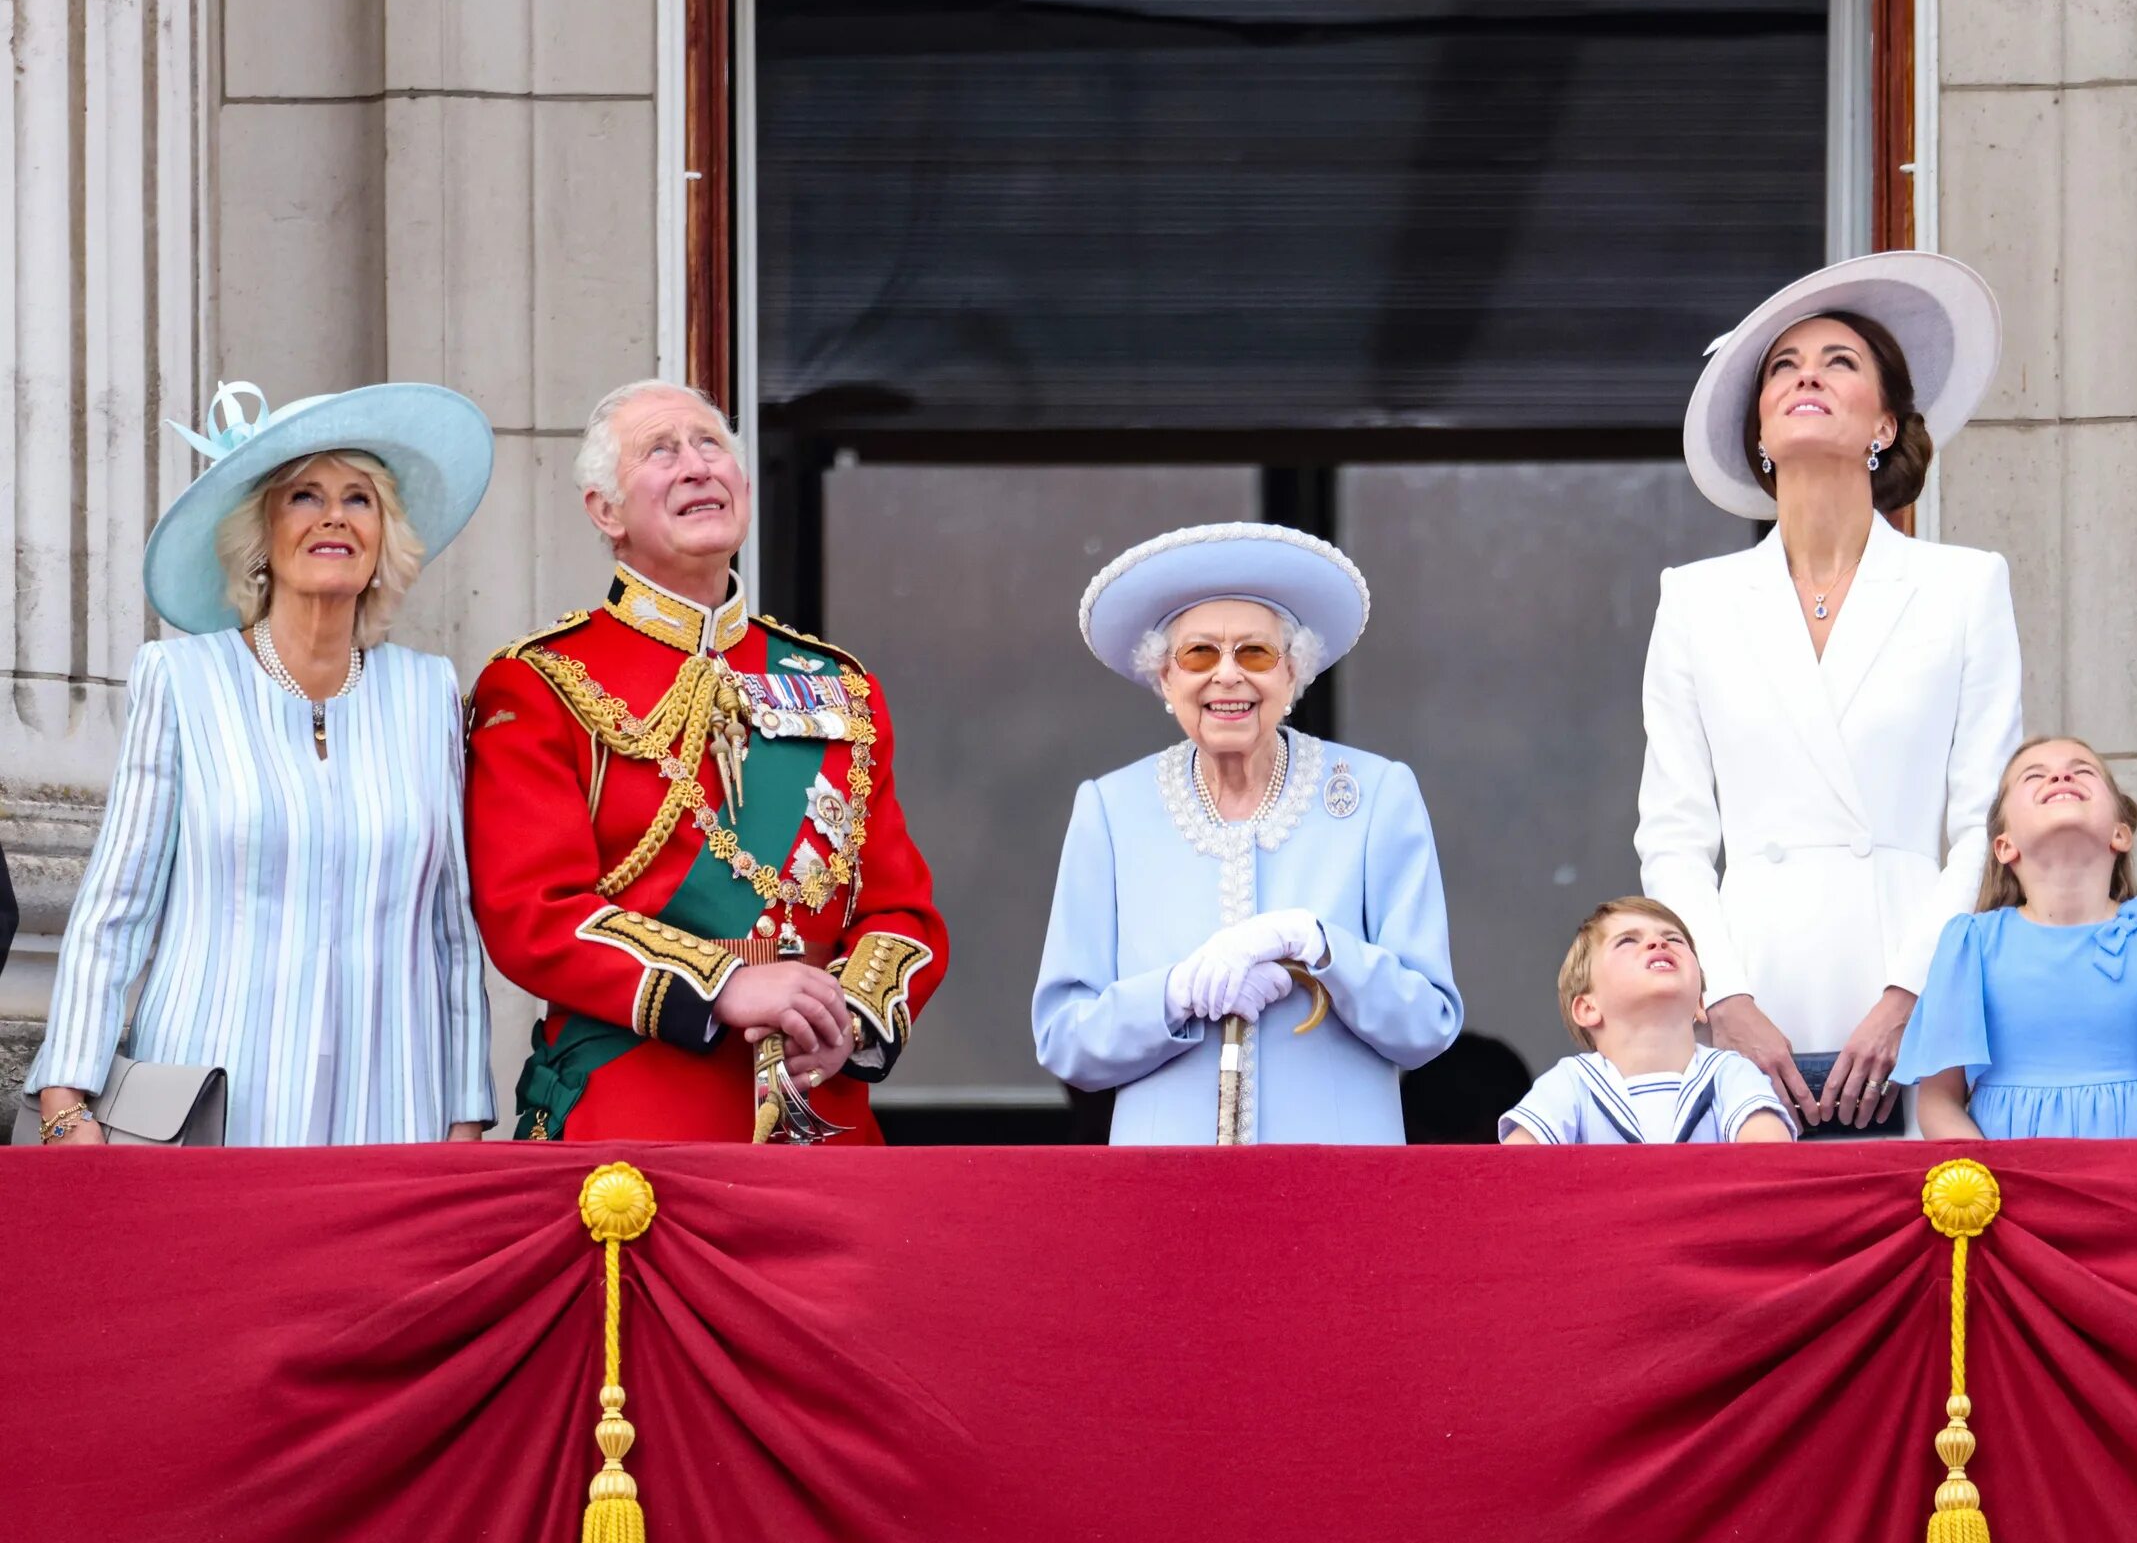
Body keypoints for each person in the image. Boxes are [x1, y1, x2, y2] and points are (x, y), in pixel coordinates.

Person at [467, 381, 948, 1143]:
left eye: (711, 445)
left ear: (744, 485)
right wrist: (725, 984)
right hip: (635, 1109)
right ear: (605, 510)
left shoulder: (837, 684)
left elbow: (903, 913)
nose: (696, 466)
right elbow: (533, 912)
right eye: (660, 451)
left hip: (821, 1112)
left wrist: (847, 1019)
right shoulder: (541, 681)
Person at [26, 380, 496, 1146]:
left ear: (384, 539)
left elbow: (449, 930)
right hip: (208, 1104)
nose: (335, 515)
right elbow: (117, 909)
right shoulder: (182, 680)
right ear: (261, 536)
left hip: (391, 1110)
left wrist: (464, 1115)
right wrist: (66, 1100)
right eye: (305, 495)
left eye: (360, 498)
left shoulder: (427, 692)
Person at [1639, 252, 2023, 1134]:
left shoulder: (1965, 586)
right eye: (1783, 366)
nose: (1807, 373)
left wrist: (1909, 995)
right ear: (1760, 435)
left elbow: (1983, 824)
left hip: (1914, 1000)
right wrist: (1724, 997)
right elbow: (1674, 832)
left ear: (1885, 422)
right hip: (1747, 1001)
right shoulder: (1693, 599)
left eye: (1839, 361)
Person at [1034, 523, 1463, 1144]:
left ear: (1293, 674)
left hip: (1339, 1181)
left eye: (1256, 654)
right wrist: (1176, 993)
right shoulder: (1110, 809)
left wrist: (1319, 946)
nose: (1227, 676)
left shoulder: (1377, 795)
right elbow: (1065, 1040)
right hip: (1166, 1184)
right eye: (1199, 654)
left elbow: (1427, 1024)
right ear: (1165, 680)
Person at [1893, 738, 2137, 1140]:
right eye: (2034, 776)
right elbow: (1939, 1102)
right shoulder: (1970, 946)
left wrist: (2133, 1183)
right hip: (2007, 1188)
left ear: (2121, 833)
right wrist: (1997, 1186)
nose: (2060, 774)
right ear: (2004, 845)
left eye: (2083, 770)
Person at [1499, 898, 1795, 1145]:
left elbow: (1769, 1158)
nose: (1658, 943)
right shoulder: (1572, 1083)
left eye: (1674, 939)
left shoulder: (1730, 1074)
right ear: (1588, 1007)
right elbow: (1516, 1170)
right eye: (1627, 940)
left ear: (1700, 1004)